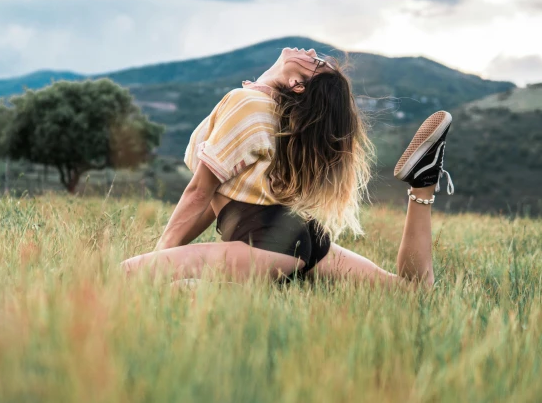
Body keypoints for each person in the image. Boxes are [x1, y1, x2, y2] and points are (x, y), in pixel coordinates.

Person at [121, 47, 454, 286]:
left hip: (265, 243)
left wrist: (158, 261)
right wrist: (169, 260)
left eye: (317, 62)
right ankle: (422, 186)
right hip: (305, 240)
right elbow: (213, 198)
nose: (310, 51)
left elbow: (199, 191)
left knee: (124, 277)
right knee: (411, 292)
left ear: (299, 86)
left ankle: (222, 289)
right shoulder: (277, 118)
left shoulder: (247, 103)